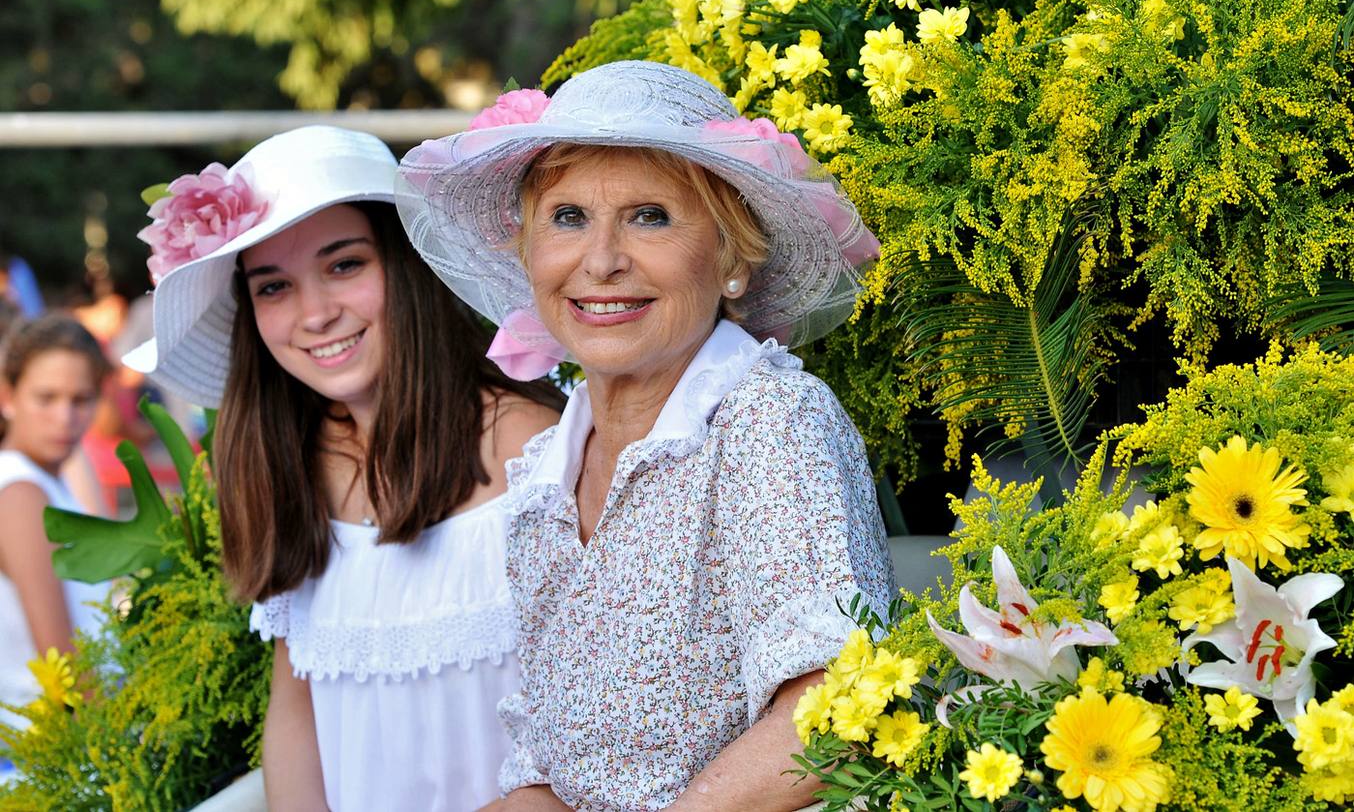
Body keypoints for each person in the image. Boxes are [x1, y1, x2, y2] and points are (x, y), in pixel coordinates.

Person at [397, 61, 895, 811]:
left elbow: (835, 713)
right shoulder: (543, 473)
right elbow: (549, 764)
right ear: (527, 250)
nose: (600, 261)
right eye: (567, 217)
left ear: (730, 257)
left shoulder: (767, 419)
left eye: (649, 216)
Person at [124, 126, 562, 812]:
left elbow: (603, 716)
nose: (317, 314)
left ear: (407, 266)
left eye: (345, 265)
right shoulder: (286, 465)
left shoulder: (533, 448)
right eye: (273, 287)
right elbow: (296, 712)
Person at [0, 315, 112, 727]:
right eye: (46, 398)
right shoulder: (20, 494)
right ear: (7, 396)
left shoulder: (46, 482)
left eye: (80, 399)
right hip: (56, 753)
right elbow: (63, 663)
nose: (64, 418)